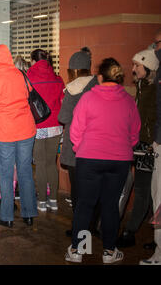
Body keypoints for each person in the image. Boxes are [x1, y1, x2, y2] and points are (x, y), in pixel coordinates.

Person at [65, 58, 141, 264]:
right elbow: (134, 134)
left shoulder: (88, 98)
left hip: (89, 158)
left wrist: (81, 148)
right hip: (119, 160)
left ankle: (78, 250)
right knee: (110, 205)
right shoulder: (128, 100)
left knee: (85, 205)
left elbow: (75, 131)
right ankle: (109, 251)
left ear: (99, 77)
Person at [0, 45, 38, 227]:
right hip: (26, 130)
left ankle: (6, 217)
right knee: (25, 172)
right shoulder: (22, 75)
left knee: (6, 174)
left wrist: (1, 115)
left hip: (5, 132)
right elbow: (29, 95)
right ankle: (29, 214)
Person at [117, 49, 158, 248]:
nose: (132, 69)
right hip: (140, 144)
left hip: (150, 147)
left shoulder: (155, 89)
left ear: (149, 67)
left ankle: (130, 231)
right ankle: (154, 234)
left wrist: (151, 142)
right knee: (149, 190)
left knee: (144, 189)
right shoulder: (143, 86)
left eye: (137, 65)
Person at [58, 51, 98, 236]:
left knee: (78, 192)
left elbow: (63, 116)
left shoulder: (73, 89)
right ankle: (92, 226)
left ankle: (80, 229)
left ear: (73, 70)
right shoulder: (97, 85)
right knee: (94, 190)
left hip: (76, 147)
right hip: (96, 146)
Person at [27, 49, 65, 212]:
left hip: (37, 126)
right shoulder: (58, 79)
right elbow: (62, 102)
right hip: (55, 127)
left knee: (40, 163)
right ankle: (54, 200)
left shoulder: (29, 77)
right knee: (51, 163)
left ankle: (42, 201)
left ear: (34, 61)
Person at [140, 30, 161, 265]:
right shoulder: (150, 82)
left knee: (158, 196)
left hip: (157, 143)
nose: (155, 49)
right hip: (155, 141)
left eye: (157, 44)